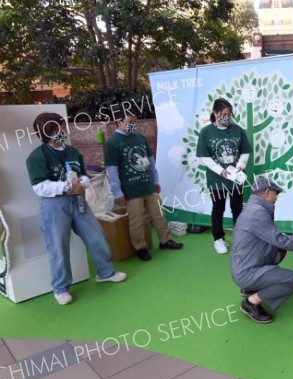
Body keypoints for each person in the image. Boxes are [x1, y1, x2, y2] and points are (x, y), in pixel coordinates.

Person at [26, 112, 127, 305]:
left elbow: (84, 174)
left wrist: (83, 182)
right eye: (55, 130)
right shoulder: (37, 157)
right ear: (44, 134)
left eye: (62, 127)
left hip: (79, 201)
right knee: (58, 247)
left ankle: (105, 272)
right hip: (54, 206)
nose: (61, 131)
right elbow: (39, 186)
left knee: (96, 237)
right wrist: (67, 186)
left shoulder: (72, 151)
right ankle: (61, 288)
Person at [230, 177, 293, 323]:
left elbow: (274, 237)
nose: (277, 197)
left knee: (280, 250)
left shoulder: (254, 208)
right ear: (266, 192)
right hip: (246, 272)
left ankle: (250, 287)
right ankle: (251, 302)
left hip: (245, 265)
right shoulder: (257, 213)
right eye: (275, 193)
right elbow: (278, 239)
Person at [104, 109, 183, 261]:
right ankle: (140, 247)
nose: (133, 125)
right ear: (118, 122)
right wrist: (118, 193)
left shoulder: (140, 138)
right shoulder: (112, 143)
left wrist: (156, 181)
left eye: (134, 122)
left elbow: (151, 161)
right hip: (131, 190)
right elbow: (112, 171)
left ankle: (165, 240)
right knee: (137, 220)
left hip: (148, 186)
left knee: (159, 214)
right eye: (129, 122)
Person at [196, 98, 251, 254]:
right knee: (218, 208)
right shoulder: (206, 132)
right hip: (217, 179)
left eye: (229, 114)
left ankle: (239, 238)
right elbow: (204, 157)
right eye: (224, 114)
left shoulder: (237, 130)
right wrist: (220, 170)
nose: (227, 117)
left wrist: (240, 165)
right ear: (215, 113)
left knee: (237, 208)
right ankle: (218, 239)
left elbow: (245, 151)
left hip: (236, 178)